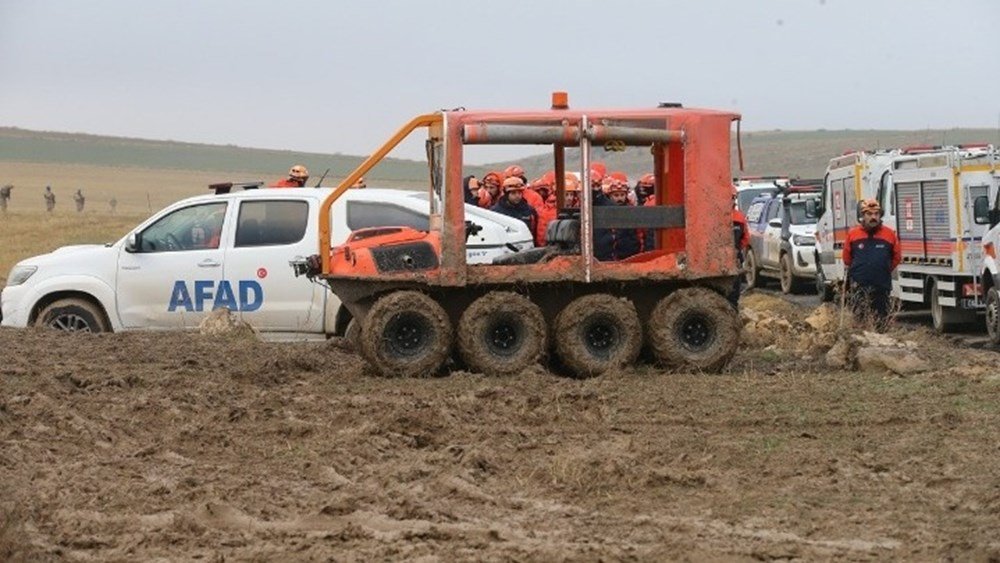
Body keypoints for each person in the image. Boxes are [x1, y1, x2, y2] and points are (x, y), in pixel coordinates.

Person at [842, 198, 901, 330]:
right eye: (869, 214)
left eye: (876, 214)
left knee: (881, 321)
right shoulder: (853, 234)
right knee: (859, 321)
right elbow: (847, 258)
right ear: (862, 216)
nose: (873, 217)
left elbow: (896, 257)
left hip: (881, 286)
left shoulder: (889, 234)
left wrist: (884, 268)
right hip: (859, 286)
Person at [593, 177, 642, 261]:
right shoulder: (605, 211)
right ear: (610, 196)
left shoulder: (631, 212)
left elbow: (636, 236)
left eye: (622, 195)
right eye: (616, 195)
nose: (619, 198)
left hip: (626, 255)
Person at [729, 192, 751, 307]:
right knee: (735, 286)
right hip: (735, 256)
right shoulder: (740, 217)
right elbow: (746, 238)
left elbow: (746, 238)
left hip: (721, 257)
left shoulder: (715, 216)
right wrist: (737, 249)